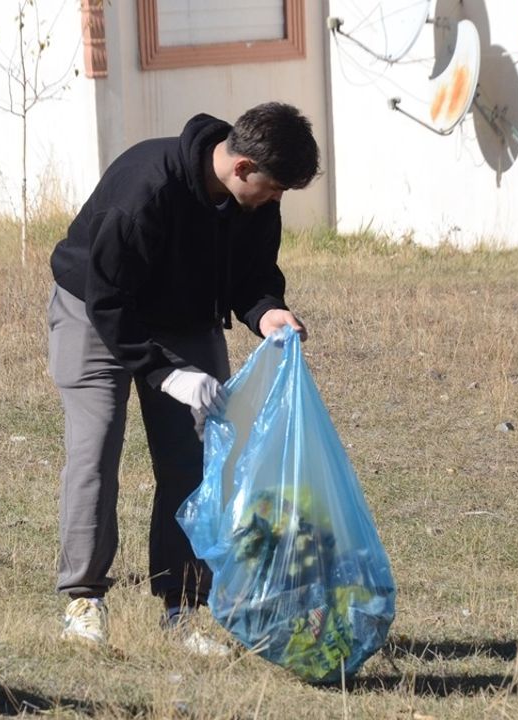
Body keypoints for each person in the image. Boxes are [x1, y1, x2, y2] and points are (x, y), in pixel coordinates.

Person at [46, 102, 319, 648]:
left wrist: (267, 311)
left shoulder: (255, 204)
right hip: (95, 312)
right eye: (273, 187)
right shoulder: (144, 189)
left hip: (184, 319)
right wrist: (167, 376)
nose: (275, 199)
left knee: (198, 457)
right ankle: (84, 598)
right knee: (96, 448)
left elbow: (254, 274)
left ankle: (183, 609)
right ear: (241, 167)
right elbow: (109, 301)